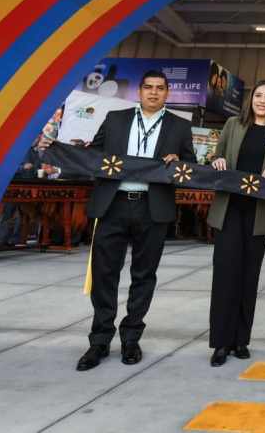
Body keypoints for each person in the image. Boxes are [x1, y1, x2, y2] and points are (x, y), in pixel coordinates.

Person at [75, 70, 197, 371]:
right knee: (105, 275)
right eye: (148, 87)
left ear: (167, 93)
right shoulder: (116, 119)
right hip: (113, 205)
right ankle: (99, 341)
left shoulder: (180, 127)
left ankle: (131, 338)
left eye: (160, 88)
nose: (153, 92)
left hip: (152, 208)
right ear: (139, 92)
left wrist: (178, 164)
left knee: (144, 276)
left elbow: (190, 166)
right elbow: (95, 156)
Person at [207, 80, 265, 367]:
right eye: (258, 95)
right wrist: (218, 160)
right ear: (251, 99)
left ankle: (241, 340)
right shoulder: (233, 124)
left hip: (259, 214)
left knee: (248, 278)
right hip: (229, 210)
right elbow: (216, 155)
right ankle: (221, 342)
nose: (263, 100)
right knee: (225, 277)